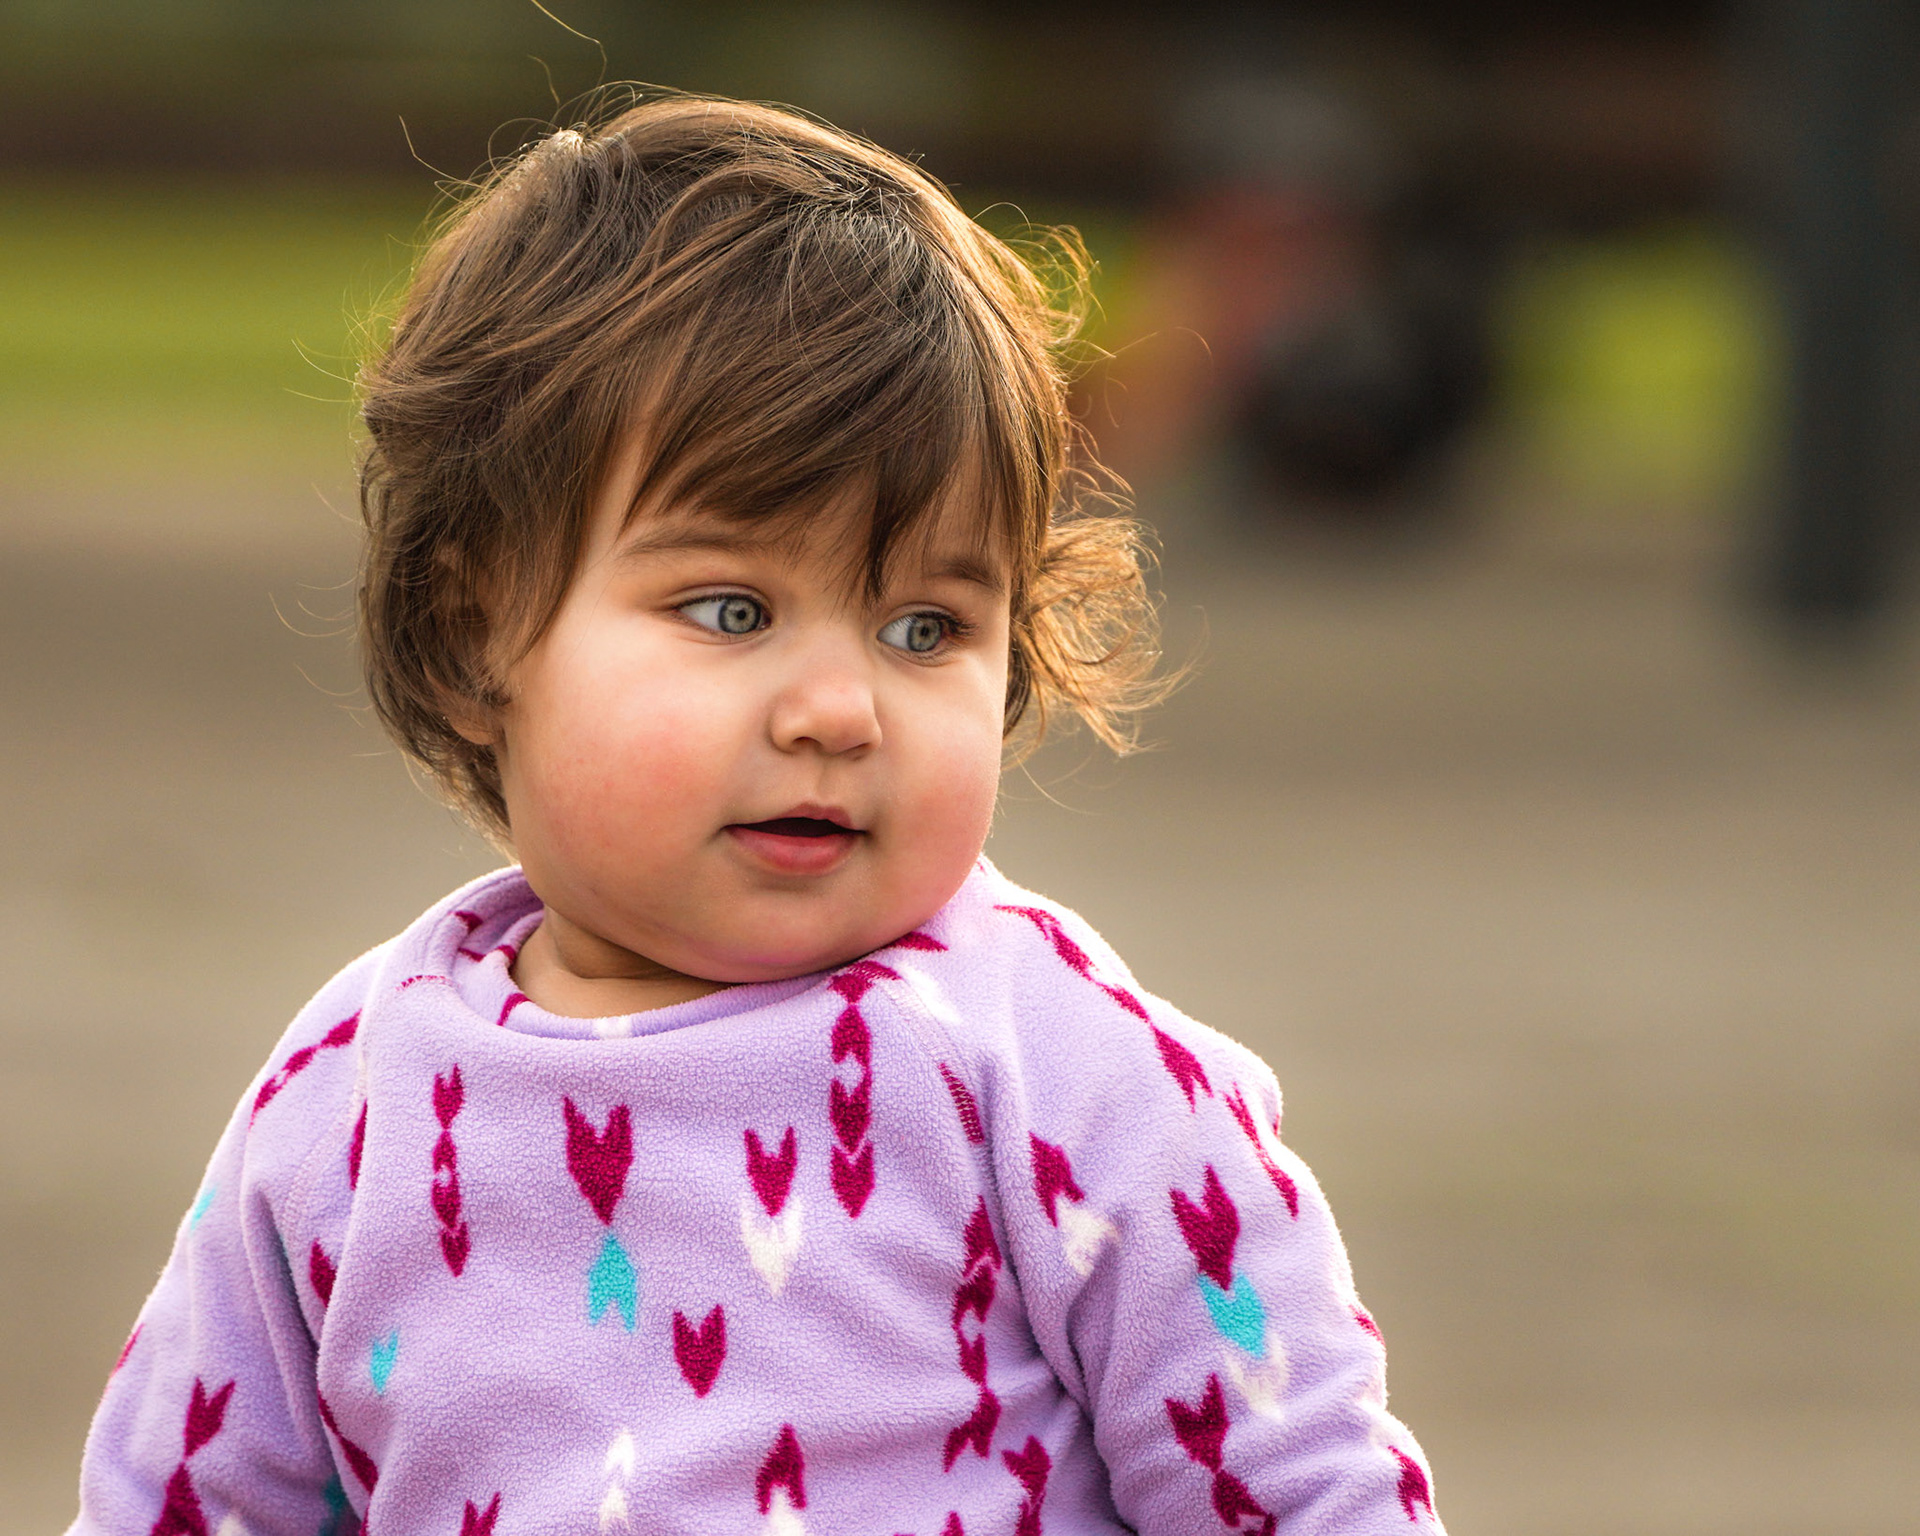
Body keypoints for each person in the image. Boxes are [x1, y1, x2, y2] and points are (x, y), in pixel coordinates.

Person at [68, 93, 1442, 1536]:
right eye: (731, 610)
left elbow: (1308, 1494)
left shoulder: (1067, 1079)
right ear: (479, 637)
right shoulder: (348, 1100)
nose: (838, 710)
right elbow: (181, 1503)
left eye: (924, 628)